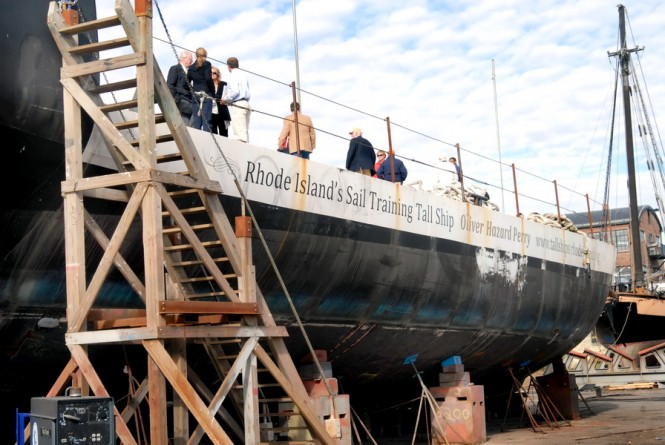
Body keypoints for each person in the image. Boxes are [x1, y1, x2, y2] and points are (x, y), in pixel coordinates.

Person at [222, 56, 251, 142]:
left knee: (239, 134)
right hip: (246, 103)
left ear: (228, 66)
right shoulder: (243, 75)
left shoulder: (233, 75)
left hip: (238, 104)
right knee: (244, 130)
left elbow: (235, 91)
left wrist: (226, 99)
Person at [187, 47, 214, 130]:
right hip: (206, 93)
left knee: (197, 119)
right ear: (205, 55)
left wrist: (192, 90)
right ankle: (207, 139)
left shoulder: (191, 67)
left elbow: (187, 81)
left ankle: (197, 139)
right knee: (206, 119)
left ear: (196, 55)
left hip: (195, 94)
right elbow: (208, 78)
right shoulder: (207, 64)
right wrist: (213, 91)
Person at [166, 50, 193, 122]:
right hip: (181, 99)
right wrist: (177, 100)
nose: (192, 61)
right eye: (190, 59)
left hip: (188, 100)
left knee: (186, 123)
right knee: (198, 110)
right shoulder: (175, 68)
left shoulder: (189, 72)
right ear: (183, 58)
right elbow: (170, 85)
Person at [211, 66, 231, 137]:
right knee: (213, 132)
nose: (212, 74)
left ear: (218, 74)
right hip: (212, 111)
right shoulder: (208, 85)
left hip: (222, 111)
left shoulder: (223, 84)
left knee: (224, 133)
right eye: (210, 73)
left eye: (214, 73)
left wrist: (225, 100)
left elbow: (228, 96)